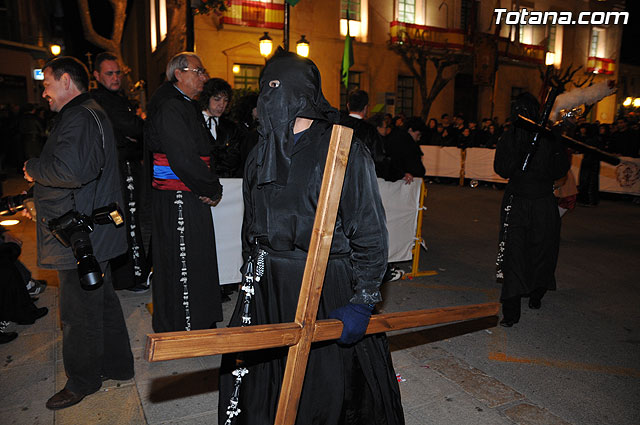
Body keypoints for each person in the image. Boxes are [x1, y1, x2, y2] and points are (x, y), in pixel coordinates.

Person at [218, 50, 404, 425]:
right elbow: (250, 225)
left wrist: (364, 299)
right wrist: (248, 277)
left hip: (323, 281)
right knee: (260, 382)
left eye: (277, 91)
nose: (268, 101)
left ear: (301, 95)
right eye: (264, 91)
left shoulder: (342, 148)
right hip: (267, 284)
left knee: (324, 390)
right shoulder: (259, 151)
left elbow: (369, 230)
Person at [23, 56, 134, 409]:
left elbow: (69, 171)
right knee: (101, 301)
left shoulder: (79, 116)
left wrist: (32, 168)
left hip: (80, 235)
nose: (44, 93)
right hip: (89, 231)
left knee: (77, 314)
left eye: (48, 84)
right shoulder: (88, 112)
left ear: (67, 81)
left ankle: (82, 380)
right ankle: (119, 366)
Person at [145, 52, 223, 333]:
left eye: (204, 71)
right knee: (183, 261)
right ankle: (185, 324)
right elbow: (183, 158)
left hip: (191, 191)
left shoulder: (184, 104)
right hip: (179, 193)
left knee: (196, 257)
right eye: (198, 71)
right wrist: (211, 187)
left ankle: (199, 319)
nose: (204, 77)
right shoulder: (170, 105)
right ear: (179, 74)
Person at [493, 92, 570, 327]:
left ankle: (536, 293)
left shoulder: (547, 137)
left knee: (542, 250)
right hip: (517, 201)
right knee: (515, 253)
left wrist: (558, 144)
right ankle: (511, 309)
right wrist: (520, 156)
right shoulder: (510, 138)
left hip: (542, 202)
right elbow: (502, 169)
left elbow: (559, 170)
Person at [91, 52, 149, 291]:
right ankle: (133, 277)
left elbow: (134, 132)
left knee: (124, 221)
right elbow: (134, 128)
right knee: (127, 222)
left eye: (118, 73)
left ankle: (126, 276)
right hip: (121, 169)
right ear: (96, 75)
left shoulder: (115, 98)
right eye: (109, 73)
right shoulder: (104, 100)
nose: (115, 78)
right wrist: (136, 129)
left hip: (121, 167)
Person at [340, 89, 393, 180]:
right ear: (365, 108)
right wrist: (398, 174)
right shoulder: (369, 130)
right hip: (360, 178)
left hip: (338, 177)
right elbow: (379, 158)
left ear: (348, 106)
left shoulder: (337, 125)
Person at [200, 78, 242, 178]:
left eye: (225, 100)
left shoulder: (231, 127)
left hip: (225, 181)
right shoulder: (195, 122)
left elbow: (234, 159)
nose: (221, 105)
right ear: (207, 98)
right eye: (217, 99)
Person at [385, 116, 426, 184]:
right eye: (418, 135)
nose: (418, 139)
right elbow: (414, 166)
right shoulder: (408, 143)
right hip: (405, 179)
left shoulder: (395, 135)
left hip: (393, 177)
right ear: (410, 130)